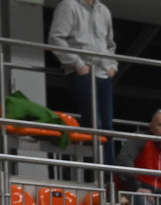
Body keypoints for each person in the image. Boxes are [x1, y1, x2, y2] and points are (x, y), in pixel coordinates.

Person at [50, 0, 118, 165]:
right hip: (82, 72)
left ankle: (108, 173)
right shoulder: (68, 5)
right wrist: (78, 64)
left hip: (104, 74)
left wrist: (113, 65)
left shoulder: (103, 10)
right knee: (95, 124)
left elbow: (110, 44)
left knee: (107, 127)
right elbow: (56, 38)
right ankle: (97, 171)